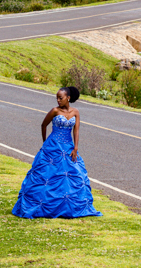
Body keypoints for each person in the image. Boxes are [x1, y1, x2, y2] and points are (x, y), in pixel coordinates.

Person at [11, 86, 102, 219]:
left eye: (61, 98)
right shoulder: (54, 111)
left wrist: (75, 147)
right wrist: (45, 143)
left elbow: (76, 131)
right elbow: (43, 125)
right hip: (52, 145)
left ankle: (69, 207)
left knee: (75, 174)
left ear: (68, 98)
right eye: (57, 98)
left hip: (68, 147)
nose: (58, 100)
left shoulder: (76, 112)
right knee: (46, 175)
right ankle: (41, 205)